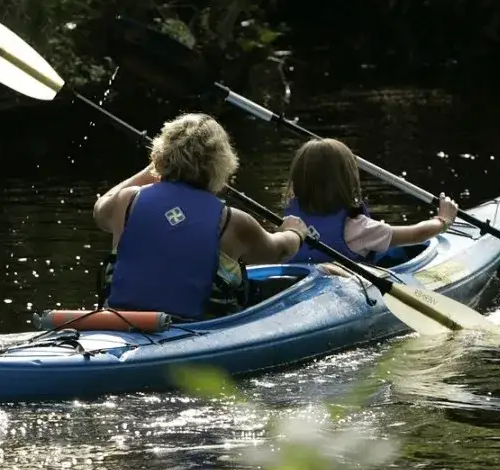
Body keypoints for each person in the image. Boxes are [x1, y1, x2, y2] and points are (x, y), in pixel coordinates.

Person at [93, 112, 309, 320]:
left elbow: (100, 209)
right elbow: (278, 250)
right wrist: (294, 232)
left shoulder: (127, 201)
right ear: (222, 164)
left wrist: (155, 168)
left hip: (120, 323)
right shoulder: (232, 221)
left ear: (159, 156)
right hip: (195, 330)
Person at [282, 137, 458, 265]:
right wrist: (442, 220)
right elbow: (415, 235)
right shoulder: (359, 228)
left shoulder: (288, 224)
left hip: (300, 288)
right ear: (347, 181)